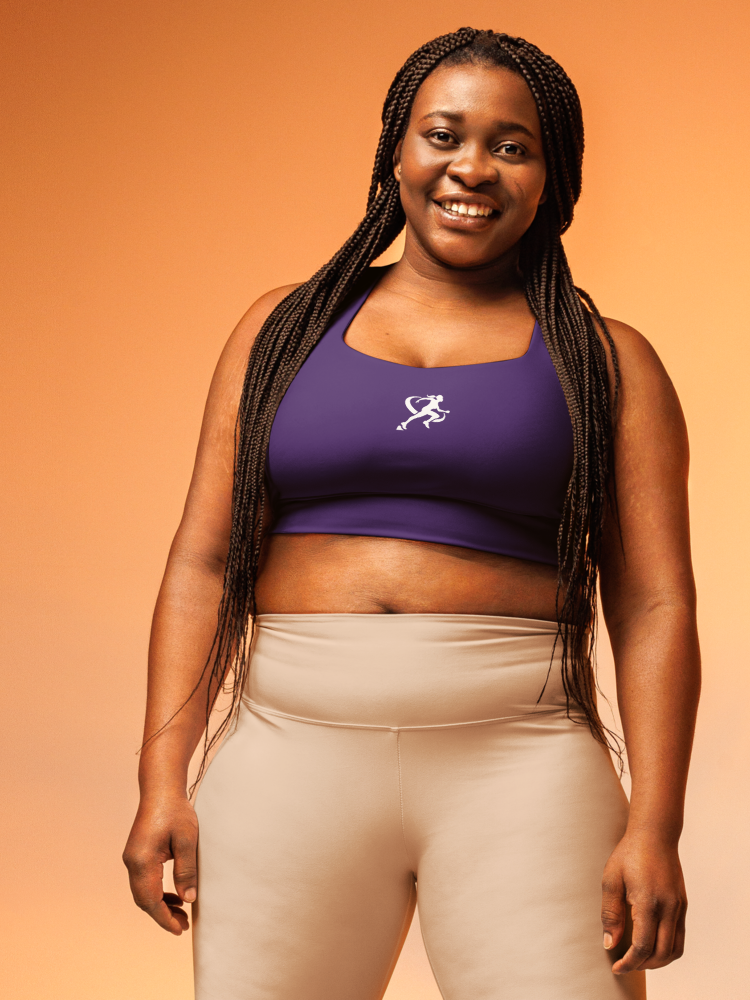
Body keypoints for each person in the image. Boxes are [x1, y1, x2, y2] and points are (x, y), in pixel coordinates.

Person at [123, 27, 700, 1000]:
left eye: (512, 146)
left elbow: (654, 607)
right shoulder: (281, 331)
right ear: (396, 151)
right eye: (444, 135)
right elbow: (202, 562)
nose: (471, 168)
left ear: (552, 177)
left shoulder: (608, 361)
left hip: (521, 762)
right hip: (287, 756)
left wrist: (656, 826)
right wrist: (160, 782)